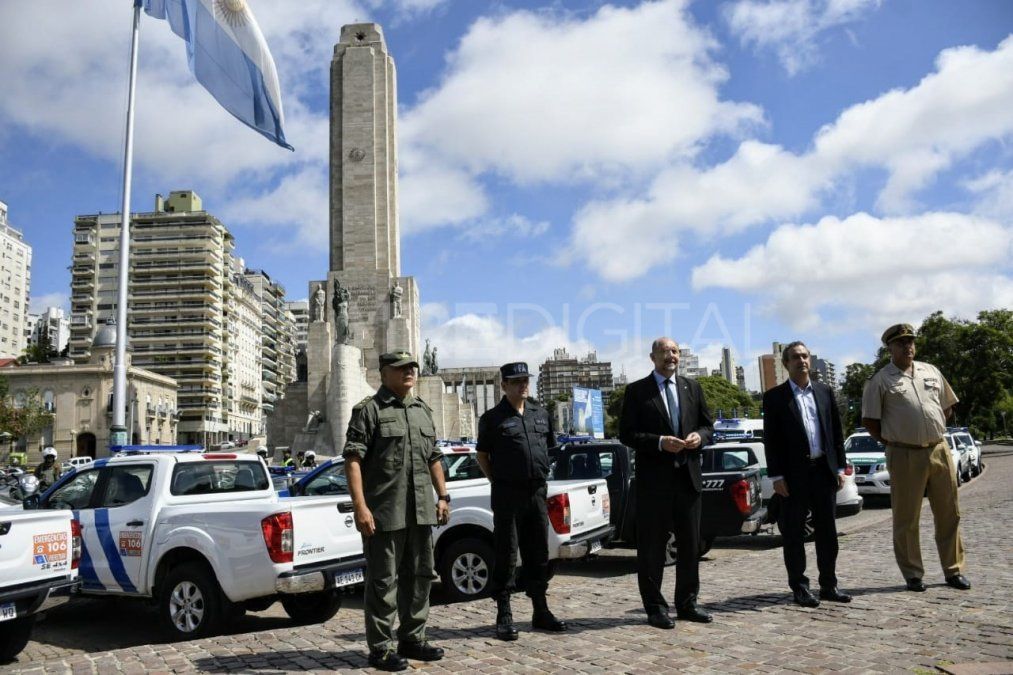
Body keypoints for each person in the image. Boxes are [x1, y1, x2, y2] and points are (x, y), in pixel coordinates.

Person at [343, 350, 450, 672]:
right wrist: (361, 507)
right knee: (383, 582)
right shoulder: (369, 411)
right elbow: (352, 460)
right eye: (401, 368)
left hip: (420, 511)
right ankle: (380, 649)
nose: (409, 372)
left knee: (419, 578)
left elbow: (433, 457)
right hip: (385, 513)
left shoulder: (422, 410)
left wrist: (443, 496)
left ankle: (413, 638)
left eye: (412, 367)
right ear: (384, 373)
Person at [862, 323, 970, 592]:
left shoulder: (930, 371)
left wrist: (930, 429)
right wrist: (895, 440)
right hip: (904, 453)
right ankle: (913, 574)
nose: (908, 346)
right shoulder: (880, 380)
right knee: (906, 517)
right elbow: (870, 421)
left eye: (911, 341)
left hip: (938, 449)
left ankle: (953, 570)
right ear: (889, 348)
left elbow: (947, 407)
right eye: (901, 343)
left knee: (949, 513)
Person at [619, 337, 714, 629]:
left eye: (674, 351)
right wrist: (660, 442)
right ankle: (655, 607)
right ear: (652, 357)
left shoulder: (692, 387)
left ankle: (687, 603)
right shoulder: (637, 391)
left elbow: (708, 426)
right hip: (654, 485)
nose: (670, 356)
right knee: (652, 549)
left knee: (690, 546)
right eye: (664, 352)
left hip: (688, 480)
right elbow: (627, 434)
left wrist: (700, 437)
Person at [476, 362, 567, 642]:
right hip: (507, 494)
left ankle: (541, 610)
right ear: (503, 385)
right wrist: (498, 480)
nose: (522, 385)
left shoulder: (540, 413)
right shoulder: (492, 418)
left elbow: (548, 448)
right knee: (506, 553)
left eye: (525, 380)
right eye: (516, 381)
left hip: (537, 492)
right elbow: (482, 456)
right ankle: (504, 614)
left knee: (538, 552)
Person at [763, 342, 851, 607]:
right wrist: (776, 476)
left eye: (805, 356)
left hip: (823, 472)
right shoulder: (775, 397)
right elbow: (772, 440)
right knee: (793, 534)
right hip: (792, 477)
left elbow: (836, 432)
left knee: (827, 533)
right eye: (796, 357)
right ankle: (800, 587)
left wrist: (839, 468)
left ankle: (829, 585)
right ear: (786, 364)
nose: (802, 360)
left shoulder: (824, 392)